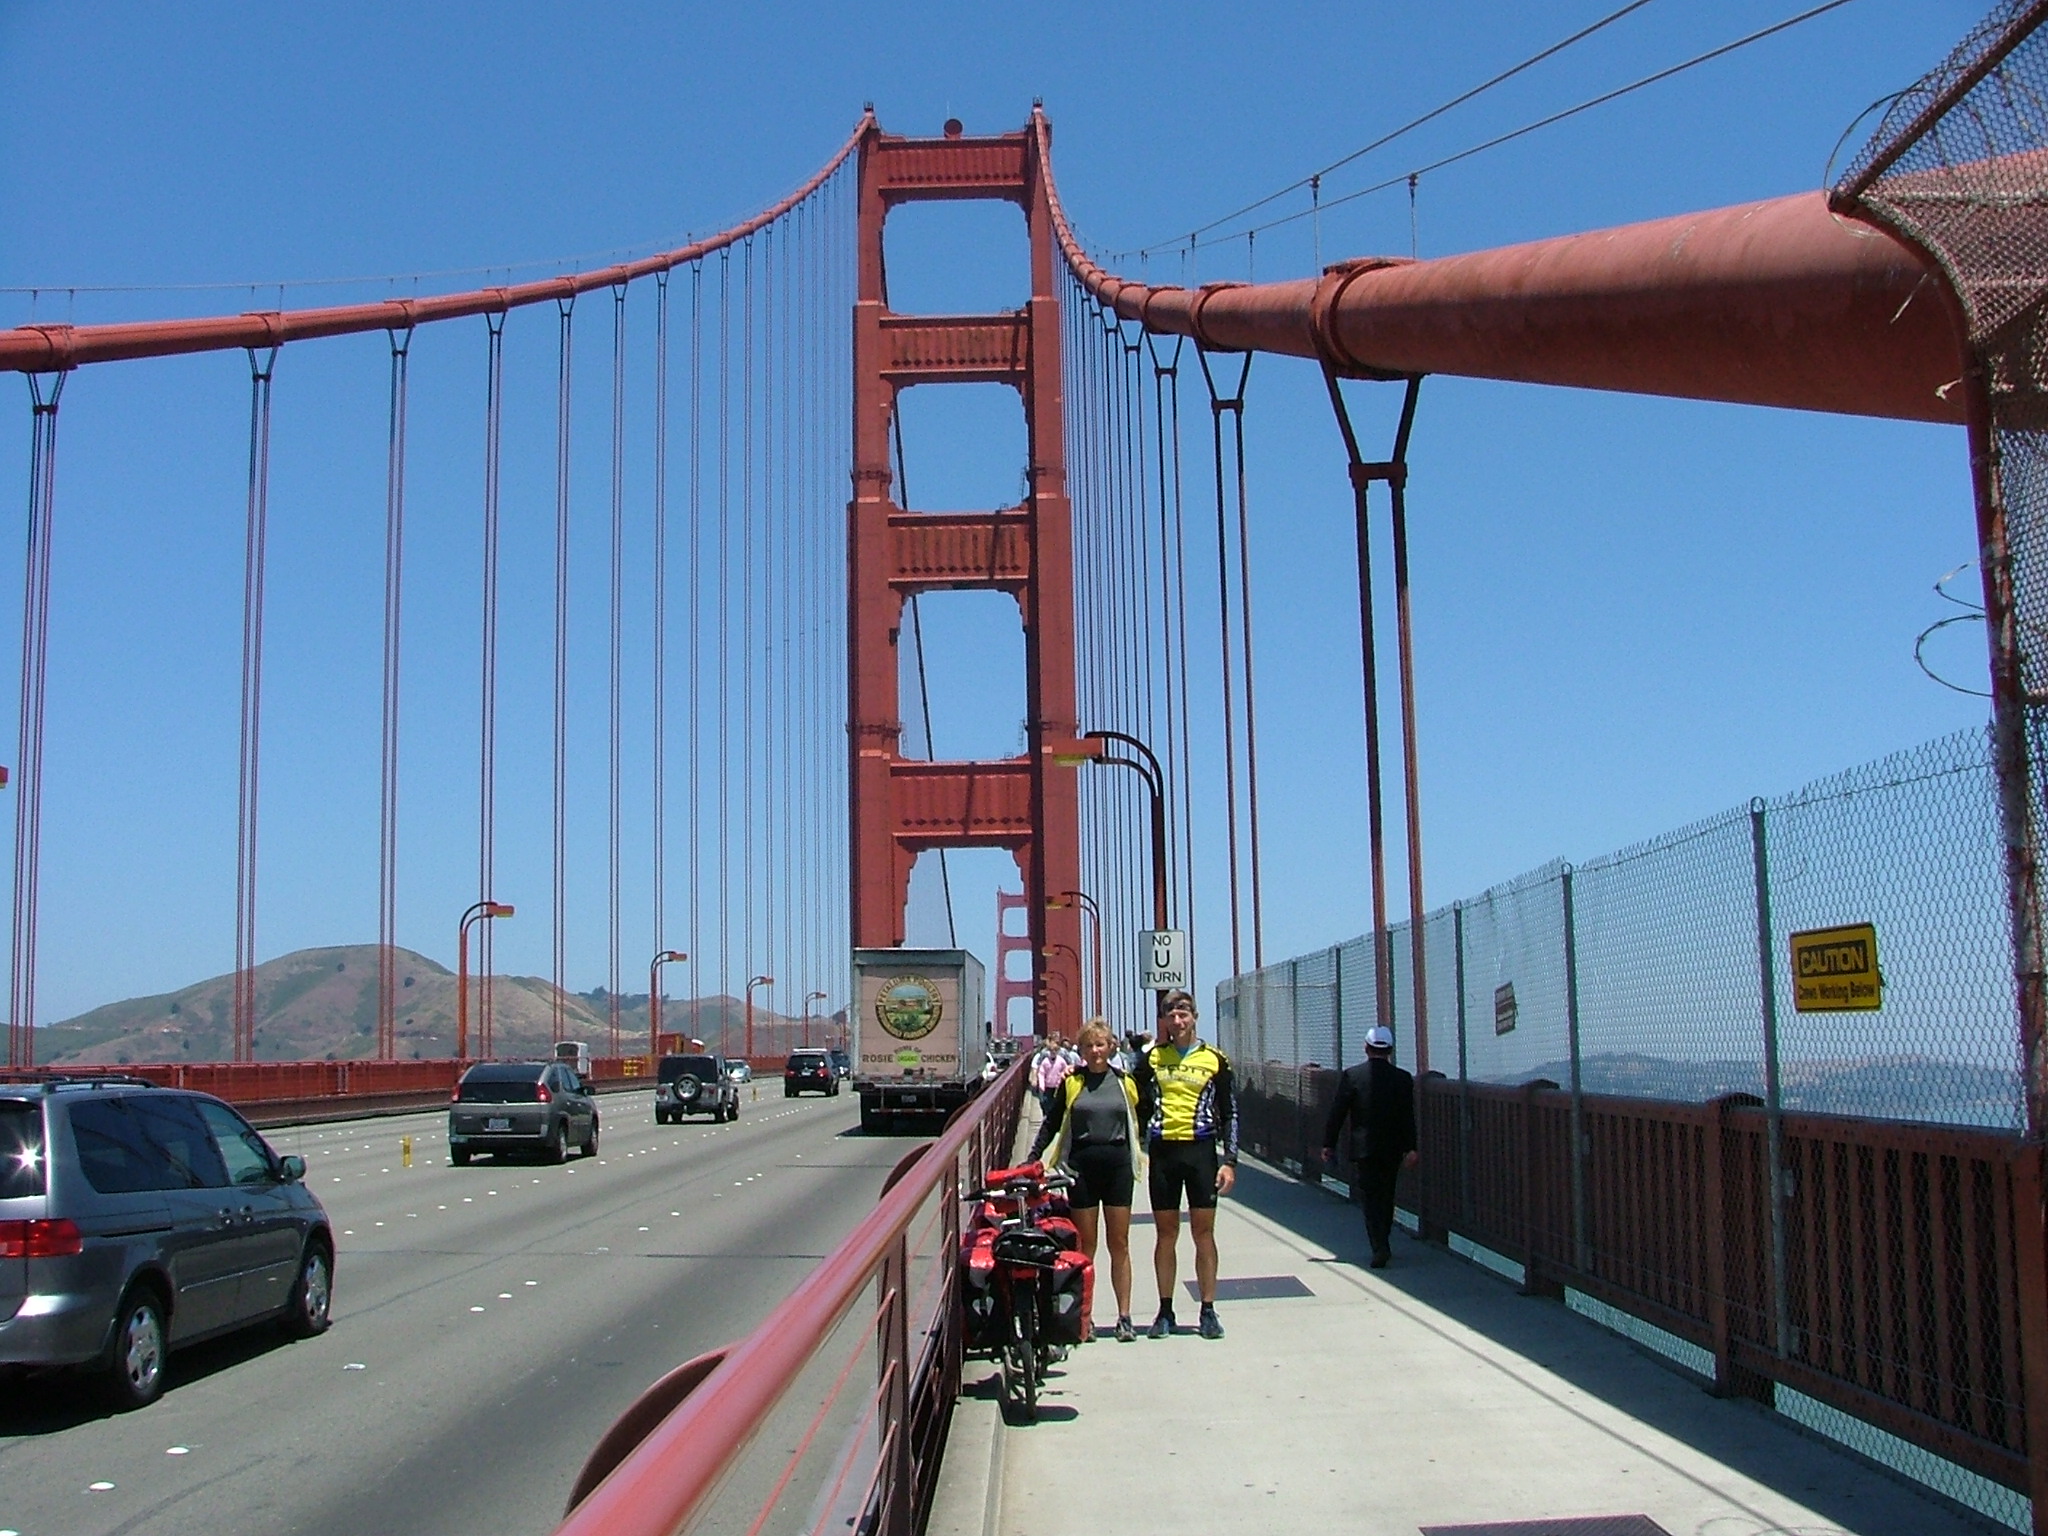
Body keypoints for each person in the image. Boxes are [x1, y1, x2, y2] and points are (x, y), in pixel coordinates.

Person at [1028, 1018, 1142, 1341]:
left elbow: (1142, 1117)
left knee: (1119, 1243)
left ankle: (1124, 1318)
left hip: (1118, 1166)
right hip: (1082, 1168)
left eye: (1101, 1044)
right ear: (1081, 1050)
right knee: (1086, 1246)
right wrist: (1033, 1159)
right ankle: (1084, 1319)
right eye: (1089, 1045)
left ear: (1111, 1048)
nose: (1095, 1051)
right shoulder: (1071, 1083)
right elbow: (1051, 1123)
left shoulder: (1124, 1082)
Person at [1131, 990, 1237, 1340]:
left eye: (1184, 1015)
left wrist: (1230, 1161)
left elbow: (1230, 1112)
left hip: (1201, 1153)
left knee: (1203, 1234)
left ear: (1194, 1017)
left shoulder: (1215, 1059)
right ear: (1163, 1020)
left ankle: (1208, 1309)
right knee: (1166, 1235)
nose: (1178, 1021)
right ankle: (1165, 1310)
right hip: (1164, 1154)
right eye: (1171, 1016)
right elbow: (1132, 1099)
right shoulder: (1152, 1059)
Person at [1321, 1024, 1418, 1269]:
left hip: (1364, 1148)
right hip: (1393, 1147)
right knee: (1387, 1194)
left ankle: (1378, 1245)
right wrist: (1411, 1147)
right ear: (1390, 1050)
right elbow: (1408, 1116)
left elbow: (1338, 1112)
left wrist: (1328, 1144)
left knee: (1370, 1196)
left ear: (1366, 1048)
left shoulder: (1353, 1076)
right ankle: (1383, 1239)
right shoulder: (1403, 1078)